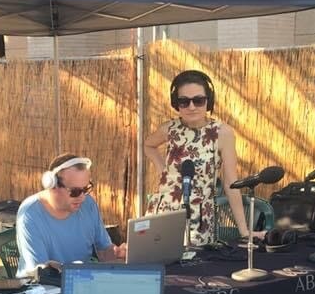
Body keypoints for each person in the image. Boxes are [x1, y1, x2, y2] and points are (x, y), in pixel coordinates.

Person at [144, 69, 251, 246]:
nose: (192, 107)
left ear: (208, 101)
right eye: (184, 102)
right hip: (162, 212)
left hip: (199, 219)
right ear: (175, 104)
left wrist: (244, 231)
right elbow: (148, 145)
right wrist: (161, 168)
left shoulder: (222, 133)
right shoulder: (169, 129)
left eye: (198, 100)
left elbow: (231, 184)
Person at [16, 153, 125, 276]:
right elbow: (42, 273)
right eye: (75, 191)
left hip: (82, 282)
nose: (82, 197)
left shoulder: (89, 205)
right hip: (43, 289)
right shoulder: (30, 215)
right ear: (52, 186)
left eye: (86, 189)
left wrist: (118, 253)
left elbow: (104, 252)